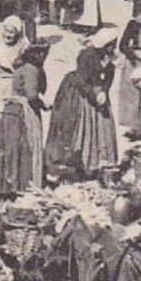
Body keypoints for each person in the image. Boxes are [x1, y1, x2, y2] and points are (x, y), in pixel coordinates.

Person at [0, 17, 45, 197]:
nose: (8, 36)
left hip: (15, 87)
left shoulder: (24, 45)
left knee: (13, 130)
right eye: (6, 31)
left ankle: (12, 170)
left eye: (12, 33)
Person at [45, 29, 120, 182]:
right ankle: (79, 164)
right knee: (81, 130)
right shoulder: (86, 56)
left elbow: (108, 78)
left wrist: (104, 91)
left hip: (98, 94)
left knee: (102, 127)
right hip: (81, 93)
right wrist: (94, 94)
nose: (114, 48)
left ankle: (97, 165)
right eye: (112, 45)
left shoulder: (110, 59)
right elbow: (82, 79)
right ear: (105, 46)